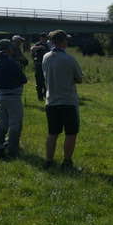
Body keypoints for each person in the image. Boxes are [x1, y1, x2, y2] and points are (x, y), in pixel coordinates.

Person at [43, 29, 84, 170]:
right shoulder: (69, 59)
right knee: (71, 133)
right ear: (62, 42)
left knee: (52, 133)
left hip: (51, 101)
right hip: (68, 101)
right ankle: (67, 162)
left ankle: (48, 160)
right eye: (66, 40)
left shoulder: (46, 57)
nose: (67, 42)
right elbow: (79, 78)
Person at [0, 38, 28, 159]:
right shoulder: (13, 63)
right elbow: (24, 79)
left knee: (2, 123)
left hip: (0, 95)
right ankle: (12, 149)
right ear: (8, 49)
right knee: (14, 124)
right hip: (13, 96)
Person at [30, 33, 50, 101]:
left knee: (46, 81)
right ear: (41, 38)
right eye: (43, 37)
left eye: (46, 37)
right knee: (39, 82)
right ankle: (40, 97)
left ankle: (45, 94)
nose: (45, 39)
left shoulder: (47, 45)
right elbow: (32, 49)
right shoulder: (38, 44)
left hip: (46, 65)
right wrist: (40, 47)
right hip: (39, 65)